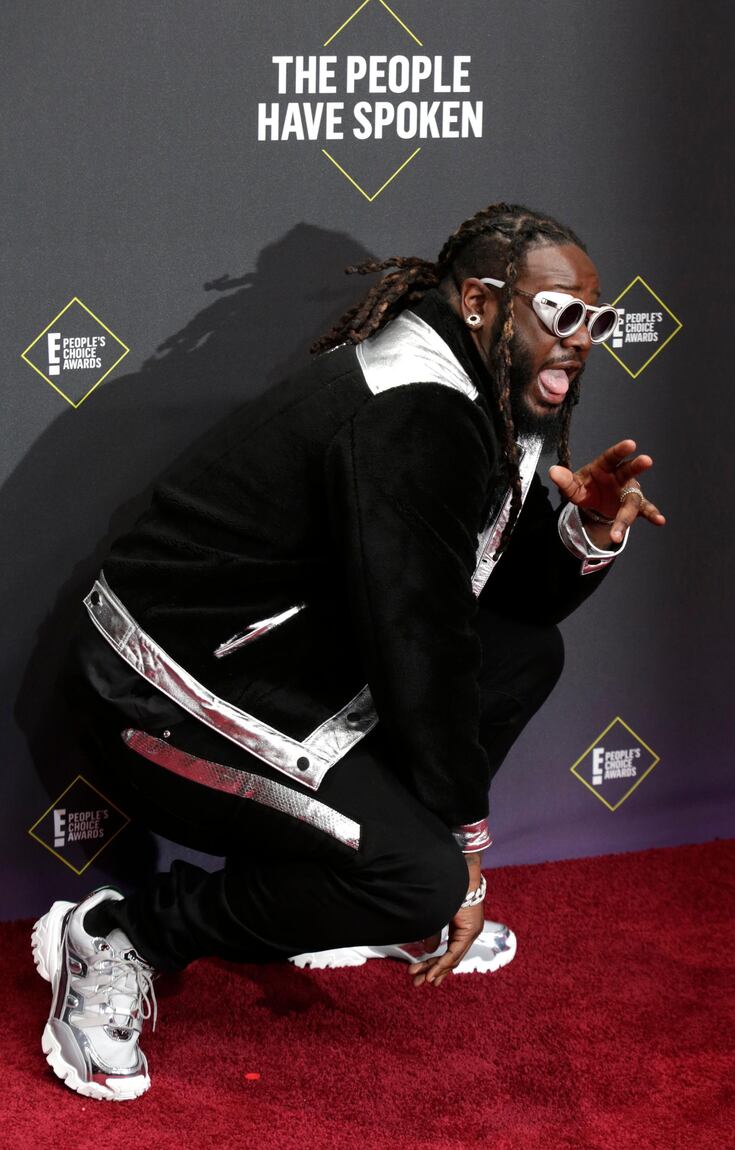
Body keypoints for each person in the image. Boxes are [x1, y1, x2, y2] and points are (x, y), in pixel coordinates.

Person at [32, 202, 665, 1101]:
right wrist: (464, 851)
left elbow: (498, 602)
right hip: (153, 685)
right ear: (482, 303)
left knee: (526, 655)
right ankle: (121, 934)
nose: (582, 342)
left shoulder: (491, 396)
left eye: (595, 322)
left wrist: (585, 530)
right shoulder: (414, 408)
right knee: (423, 874)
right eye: (561, 315)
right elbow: (422, 642)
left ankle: (351, 881)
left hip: (274, 662)